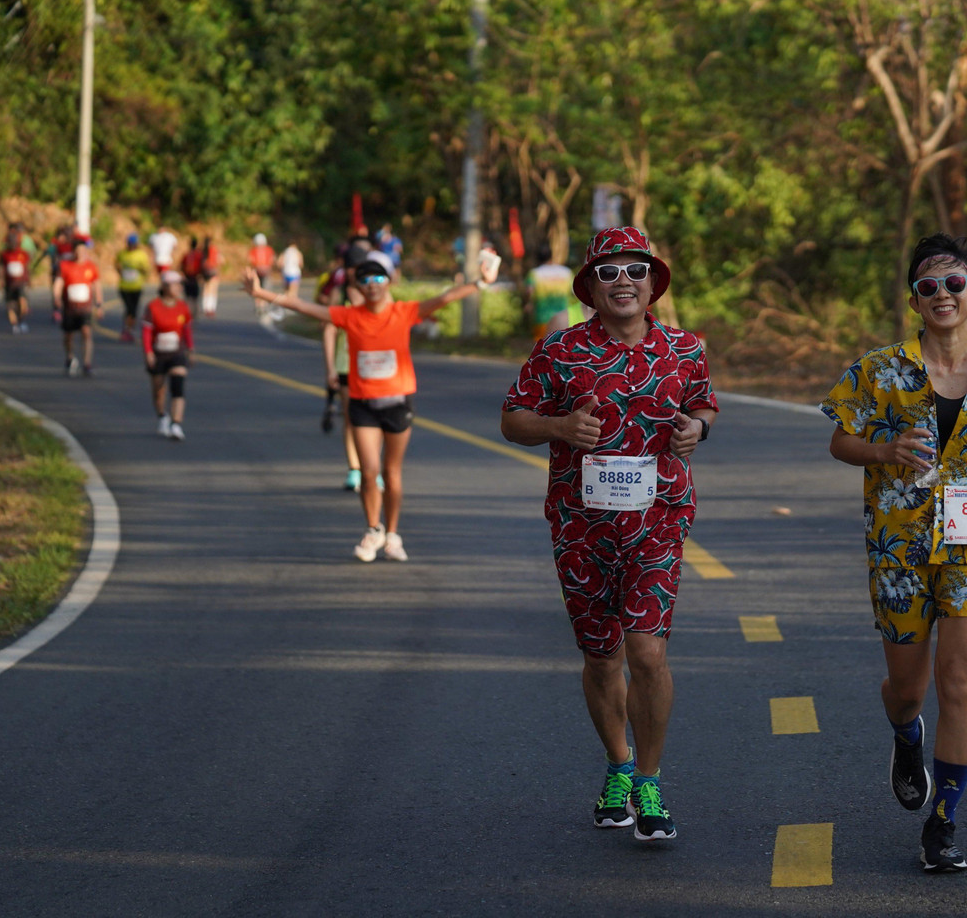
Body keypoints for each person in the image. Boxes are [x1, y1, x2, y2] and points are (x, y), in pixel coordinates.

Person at [820, 232, 967, 873]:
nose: (943, 294)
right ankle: (904, 733)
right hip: (898, 544)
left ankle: (944, 819)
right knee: (908, 687)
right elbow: (840, 441)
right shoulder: (878, 369)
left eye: (955, 284)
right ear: (915, 300)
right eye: (929, 285)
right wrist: (884, 451)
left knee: (961, 682)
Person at [500, 227, 718, 843]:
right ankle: (618, 766)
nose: (623, 280)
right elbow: (513, 419)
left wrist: (696, 430)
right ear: (590, 288)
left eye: (635, 270)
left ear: (653, 283)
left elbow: (702, 406)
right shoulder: (559, 351)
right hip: (580, 525)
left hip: (659, 520)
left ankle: (649, 780)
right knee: (601, 656)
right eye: (608, 271)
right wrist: (561, 426)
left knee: (647, 651)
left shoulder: (685, 349)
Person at [244, 258, 494, 561]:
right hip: (363, 405)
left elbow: (444, 298)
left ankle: (392, 535)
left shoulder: (404, 312)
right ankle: (373, 529)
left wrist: (480, 282)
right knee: (369, 471)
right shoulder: (348, 316)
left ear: (388, 283)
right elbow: (304, 308)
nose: (372, 286)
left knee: (392, 472)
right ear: (358, 287)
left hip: (398, 403)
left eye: (378, 280)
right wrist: (261, 293)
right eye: (366, 281)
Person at [320, 245, 365, 490]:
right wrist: (330, 369)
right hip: (345, 365)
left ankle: (371, 469)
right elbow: (329, 330)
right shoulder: (340, 294)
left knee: (374, 421)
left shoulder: (375, 292)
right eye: (351, 267)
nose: (355, 272)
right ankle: (354, 469)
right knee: (352, 418)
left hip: (373, 367)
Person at [142, 272, 194, 441]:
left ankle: (176, 424)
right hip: (158, 355)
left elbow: (187, 330)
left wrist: (191, 350)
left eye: (180, 284)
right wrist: (148, 352)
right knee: (159, 389)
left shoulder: (182, 307)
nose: (179, 287)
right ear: (164, 287)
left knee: (178, 385)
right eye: (175, 284)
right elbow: (147, 332)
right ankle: (162, 416)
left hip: (176, 353)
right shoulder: (153, 307)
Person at [57, 239, 103, 377]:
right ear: (73, 252)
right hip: (70, 307)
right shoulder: (65, 265)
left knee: (86, 332)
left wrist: (99, 304)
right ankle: (70, 357)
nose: (81, 254)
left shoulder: (91, 266)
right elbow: (59, 283)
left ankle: (87, 363)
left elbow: (96, 285)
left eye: (83, 251)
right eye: (78, 251)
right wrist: (56, 298)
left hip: (85, 308)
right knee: (68, 335)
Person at [524, 243, 576, 342]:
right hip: (564, 318)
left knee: (541, 347)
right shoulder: (566, 272)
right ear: (551, 255)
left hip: (542, 317)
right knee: (562, 346)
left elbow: (529, 292)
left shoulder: (534, 274)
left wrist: (528, 304)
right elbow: (575, 292)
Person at [115, 232, 153, 341]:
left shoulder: (141, 255)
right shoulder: (122, 254)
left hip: (136, 287)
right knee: (128, 309)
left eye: (133, 244)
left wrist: (140, 269)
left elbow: (146, 270)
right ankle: (126, 330)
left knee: (134, 310)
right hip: (124, 286)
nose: (131, 246)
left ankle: (129, 330)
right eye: (130, 244)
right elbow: (117, 264)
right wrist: (120, 271)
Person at [0, 225, 32, 333]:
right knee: (10, 305)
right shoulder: (4, 254)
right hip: (9, 284)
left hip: (20, 283)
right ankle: (14, 324)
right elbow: (1, 268)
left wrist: (29, 280)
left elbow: (26, 268)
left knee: (22, 303)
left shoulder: (23, 253)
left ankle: (21, 320)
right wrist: (1, 280)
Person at [248, 234, 276, 317]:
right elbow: (272, 259)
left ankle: (258, 306)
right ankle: (264, 306)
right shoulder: (269, 249)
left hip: (257, 270)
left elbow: (250, 259)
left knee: (256, 288)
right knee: (265, 289)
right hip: (266, 270)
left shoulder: (253, 250)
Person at [180, 237, 204, 314]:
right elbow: (202, 266)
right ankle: (193, 312)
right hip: (195, 278)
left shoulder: (187, 255)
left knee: (188, 297)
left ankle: (188, 311)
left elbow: (181, 266)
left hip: (188, 277)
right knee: (194, 298)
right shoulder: (199, 255)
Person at [200, 236, 222, 317]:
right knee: (213, 290)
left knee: (205, 289)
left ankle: (205, 307)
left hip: (204, 272)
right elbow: (220, 260)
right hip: (213, 271)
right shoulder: (214, 249)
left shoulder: (202, 250)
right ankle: (211, 307)